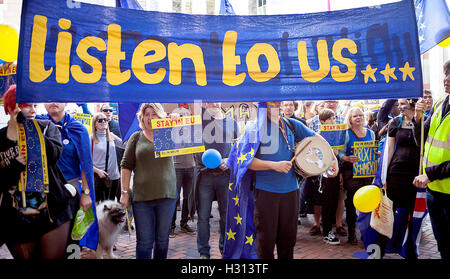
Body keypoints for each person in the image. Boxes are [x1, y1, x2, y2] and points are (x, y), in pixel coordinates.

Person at [249, 101, 338, 259]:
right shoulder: (255, 128)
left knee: (288, 241)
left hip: (291, 191)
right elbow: (246, 162)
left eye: (278, 102)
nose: (275, 105)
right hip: (266, 192)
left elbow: (318, 139)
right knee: (265, 241)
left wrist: (333, 160)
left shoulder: (291, 124)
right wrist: (273, 165)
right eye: (270, 103)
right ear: (263, 105)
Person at [0, 85, 75, 259]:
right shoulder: (1, 138)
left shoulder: (47, 127)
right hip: (16, 216)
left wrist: (30, 131)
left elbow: (54, 155)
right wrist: (13, 166)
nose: (33, 110)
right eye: (27, 105)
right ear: (12, 107)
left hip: (51, 210)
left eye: (35, 106)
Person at [120, 103, 178, 259]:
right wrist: (124, 193)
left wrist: (176, 121)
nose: (150, 117)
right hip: (142, 198)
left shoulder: (167, 133)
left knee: (162, 241)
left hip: (167, 195)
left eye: (154, 114)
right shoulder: (136, 137)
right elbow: (126, 166)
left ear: (160, 116)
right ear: (142, 117)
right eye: (147, 114)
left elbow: (190, 135)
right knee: (144, 242)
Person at [39, 103, 98, 252]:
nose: (53, 102)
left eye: (58, 98)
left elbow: (85, 163)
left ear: (65, 102)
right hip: (43, 191)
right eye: (49, 98)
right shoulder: (35, 125)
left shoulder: (78, 129)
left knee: (72, 240)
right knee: (44, 237)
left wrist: (85, 193)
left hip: (70, 191)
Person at [412, 60, 450, 259]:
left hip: (444, 187)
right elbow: (422, 138)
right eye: (446, 73)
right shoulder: (440, 103)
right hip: (434, 190)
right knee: (442, 242)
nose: (447, 78)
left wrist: (430, 175)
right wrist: (417, 117)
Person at [192, 102, 239, 259]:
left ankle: (225, 249)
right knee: (203, 217)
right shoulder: (198, 121)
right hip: (204, 177)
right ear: (205, 102)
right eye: (210, 99)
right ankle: (203, 253)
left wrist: (230, 160)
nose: (214, 102)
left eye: (217, 99)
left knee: (226, 216)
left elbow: (238, 147)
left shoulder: (232, 122)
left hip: (225, 177)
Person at [377, 98, 420, 259]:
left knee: (411, 216)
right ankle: (379, 252)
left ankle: (409, 252)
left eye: (404, 104)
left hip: (415, 175)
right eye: (399, 104)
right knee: (387, 214)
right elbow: (389, 148)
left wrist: (415, 120)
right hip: (395, 173)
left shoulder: (423, 122)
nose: (400, 107)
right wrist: (384, 175)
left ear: (412, 104)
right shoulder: (395, 122)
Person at [338, 107, 376, 245]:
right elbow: (340, 153)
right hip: (351, 173)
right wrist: (347, 158)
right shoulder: (346, 134)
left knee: (367, 204)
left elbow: (374, 149)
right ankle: (352, 234)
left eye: (360, 115)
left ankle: (365, 233)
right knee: (352, 203)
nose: (358, 118)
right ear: (350, 119)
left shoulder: (371, 133)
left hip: (368, 173)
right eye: (355, 116)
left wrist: (376, 154)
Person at [316, 109, 342, 245]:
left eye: (335, 118)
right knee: (327, 203)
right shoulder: (319, 136)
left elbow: (341, 154)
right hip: (324, 175)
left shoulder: (338, 135)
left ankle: (329, 230)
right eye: (330, 119)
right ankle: (326, 232)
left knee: (333, 202)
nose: (333, 121)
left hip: (335, 173)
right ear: (322, 122)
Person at [170, 106, 196, 237]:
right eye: (180, 115)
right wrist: (170, 119)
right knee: (174, 197)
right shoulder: (170, 130)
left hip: (191, 166)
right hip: (176, 168)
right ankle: (171, 226)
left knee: (187, 197)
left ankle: (184, 223)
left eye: (186, 115)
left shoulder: (193, 130)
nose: (183, 117)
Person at [91, 113, 124, 203]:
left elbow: (124, 145)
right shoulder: (91, 139)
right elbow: (85, 162)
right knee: (100, 207)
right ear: (95, 123)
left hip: (114, 177)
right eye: (100, 120)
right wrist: (98, 171)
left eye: (105, 120)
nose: (103, 122)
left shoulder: (111, 136)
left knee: (111, 205)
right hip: (99, 178)